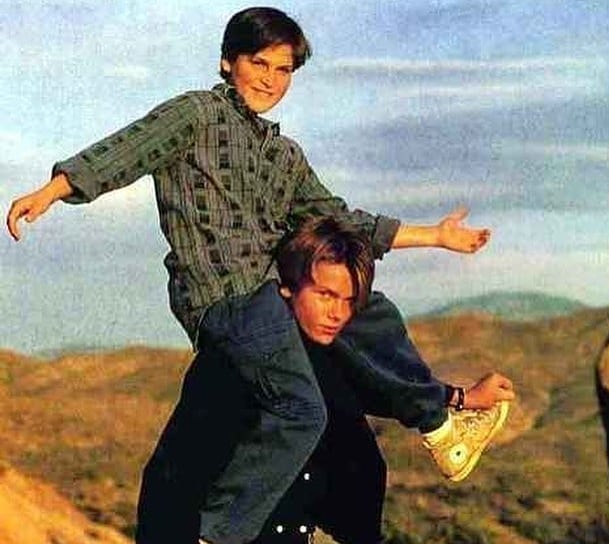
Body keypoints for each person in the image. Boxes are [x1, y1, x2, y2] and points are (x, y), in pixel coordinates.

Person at [5, 6, 513, 543]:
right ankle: (220, 536)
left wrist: (435, 236)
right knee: (302, 410)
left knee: (372, 307)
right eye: (259, 63)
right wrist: (52, 192)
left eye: (284, 69)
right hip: (225, 297)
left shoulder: (284, 155)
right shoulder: (196, 115)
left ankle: (441, 430)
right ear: (228, 62)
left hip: (271, 296)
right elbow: (127, 150)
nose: (271, 80)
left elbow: (341, 220)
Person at [136, 215, 513, 544]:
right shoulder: (240, 360)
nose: (337, 313)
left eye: (349, 301)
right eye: (325, 295)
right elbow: (178, 477)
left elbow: (385, 388)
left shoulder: (329, 352)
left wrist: (462, 398)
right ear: (287, 286)